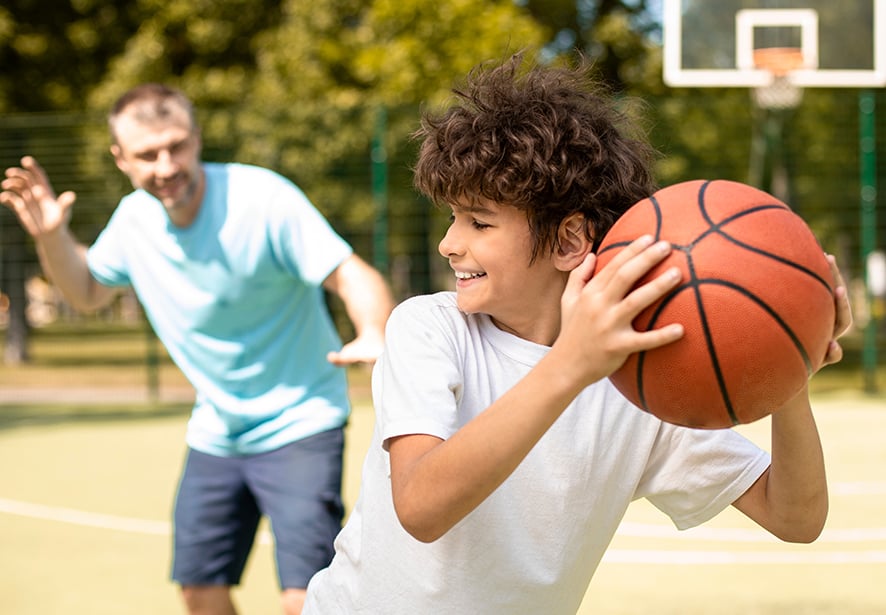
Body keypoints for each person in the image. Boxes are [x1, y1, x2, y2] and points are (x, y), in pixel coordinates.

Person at [302, 53, 852, 613]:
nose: (450, 243)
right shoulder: (431, 328)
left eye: (479, 222)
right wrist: (572, 363)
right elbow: (420, 506)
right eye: (452, 218)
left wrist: (791, 357)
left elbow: (796, 518)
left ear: (569, 242)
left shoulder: (640, 379)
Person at [1, 83, 395, 615]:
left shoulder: (264, 198)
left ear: (196, 139)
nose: (166, 166)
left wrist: (374, 329)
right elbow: (87, 292)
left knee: (305, 598)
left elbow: (351, 274)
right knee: (200, 590)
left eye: (177, 146)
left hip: (301, 418)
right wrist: (51, 237)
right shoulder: (133, 220)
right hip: (217, 429)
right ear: (121, 159)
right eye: (147, 154)